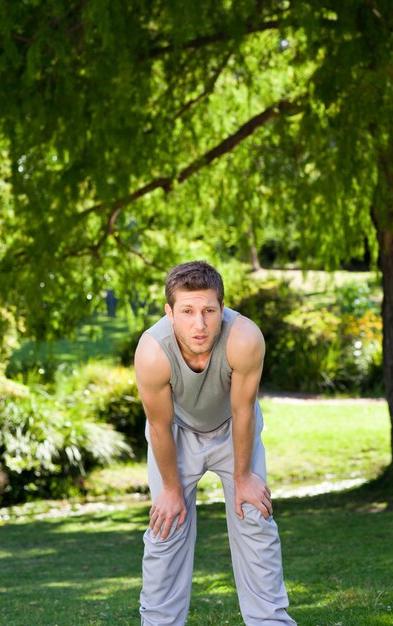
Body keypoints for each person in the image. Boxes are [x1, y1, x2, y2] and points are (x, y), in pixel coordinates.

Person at [134, 261, 296, 626]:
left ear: (222, 309)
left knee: (254, 515)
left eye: (209, 310)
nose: (200, 324)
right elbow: (159, 426)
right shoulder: (151, 352)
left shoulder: (245, 338)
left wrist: (243, 477)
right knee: (166, 524)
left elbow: (243, 411)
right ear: (169, 313)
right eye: (187, 311)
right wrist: (171, 490)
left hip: (233, 429)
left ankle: (270, 621)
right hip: (175, 433)